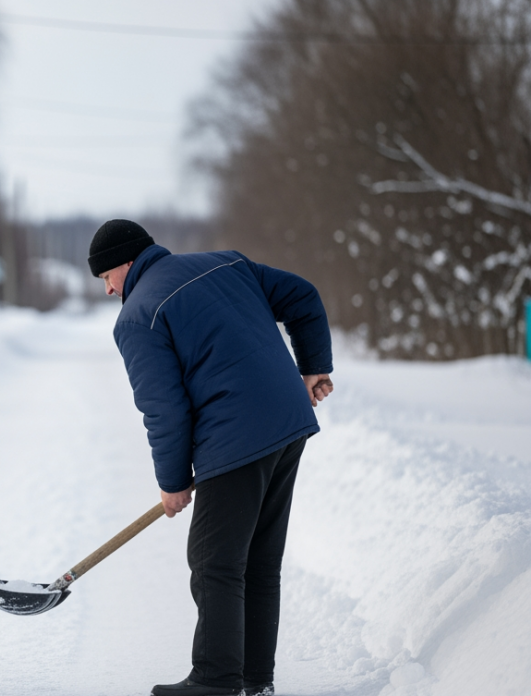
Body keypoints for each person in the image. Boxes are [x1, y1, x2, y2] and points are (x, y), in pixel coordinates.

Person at [86, 221, 334, 696]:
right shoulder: (228, 262)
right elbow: (303, 296)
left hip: (236, 436)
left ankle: (216, 682)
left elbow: (164, 409)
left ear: (123, 264)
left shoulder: (138, 316)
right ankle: (255, 680)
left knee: (214, 560)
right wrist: (314, 365)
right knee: (258, 561)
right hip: (288, 422)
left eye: (105, 278)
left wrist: (173, 480)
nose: (108, 290)